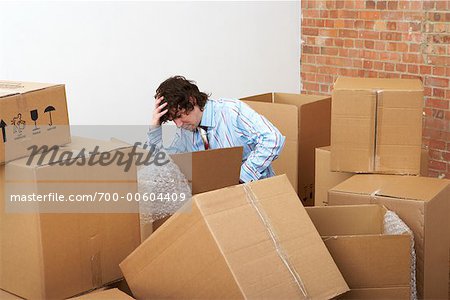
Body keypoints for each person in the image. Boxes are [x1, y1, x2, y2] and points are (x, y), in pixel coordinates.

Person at [148, 75, 285, 183]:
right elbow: (166, 165)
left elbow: (273, 139)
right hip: (216, 202)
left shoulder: (231, 111)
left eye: (179, 116)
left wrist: (242, 176)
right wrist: (155, 129)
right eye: (173, 120)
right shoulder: (185, 130)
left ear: (192, 101)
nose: (178, 124)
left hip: (256, 191)